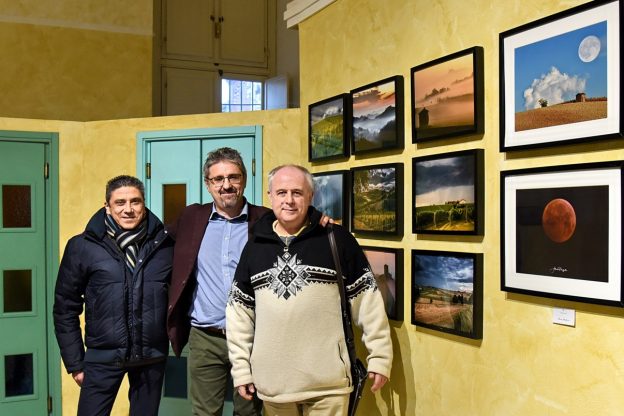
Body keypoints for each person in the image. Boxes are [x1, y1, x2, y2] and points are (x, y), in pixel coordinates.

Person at [226, 164, 393, 416]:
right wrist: (241, 370)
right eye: (281, 192)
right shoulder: (254, 248)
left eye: (297, 192)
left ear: (310, 196)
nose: (289, 200)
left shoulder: (337, 239)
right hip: (274, 385)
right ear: (270, 196)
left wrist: (379, 357)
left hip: (329, 385)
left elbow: (368, 302)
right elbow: (240, 315)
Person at [53, 175, 173, 416]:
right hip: (101, 358)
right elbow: (65, 307)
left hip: (150, 358)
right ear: (106, 207)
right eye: (120, 203)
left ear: (144, 204)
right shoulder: (82, 246)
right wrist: (76, 363)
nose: (128, 209)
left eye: (135, 202)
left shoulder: (165, 245)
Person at [166, 147, 267, 416]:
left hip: (254, 337)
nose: (226, 185)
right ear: (208, 184)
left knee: (250, 413)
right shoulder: (191, 218)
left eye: (233, 177)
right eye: (218, 179)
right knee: (205, 413)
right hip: (205, 337)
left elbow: (298, 220)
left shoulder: (266, 220)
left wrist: (318, 220)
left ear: (244, 179)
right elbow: (153, 238)